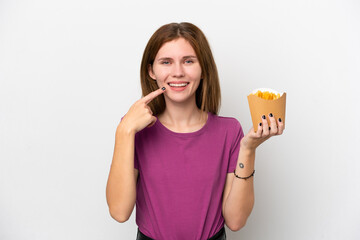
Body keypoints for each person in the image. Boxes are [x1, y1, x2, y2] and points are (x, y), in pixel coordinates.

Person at [106, 22, 284, 240]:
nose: (178, 72)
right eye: (166, 62)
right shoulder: (134, 130)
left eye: (188, 61)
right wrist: (124, 131)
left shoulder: (229, 131)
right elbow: (119, 211)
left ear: (203, 70)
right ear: (151, 71)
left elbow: (236, 221)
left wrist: (248, 149)